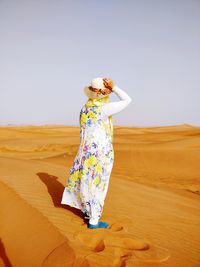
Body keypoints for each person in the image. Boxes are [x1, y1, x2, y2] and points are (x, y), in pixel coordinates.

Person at [61, 77, 132, 229]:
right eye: (107, 90)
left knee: (87, 181)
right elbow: (127, 100)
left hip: (86, 151)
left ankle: (88, 212)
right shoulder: (104, 109)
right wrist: (114, 88)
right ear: (103, 92)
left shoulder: (85, 108)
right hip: (101, 152)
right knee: (99, 184)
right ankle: (94, 220)